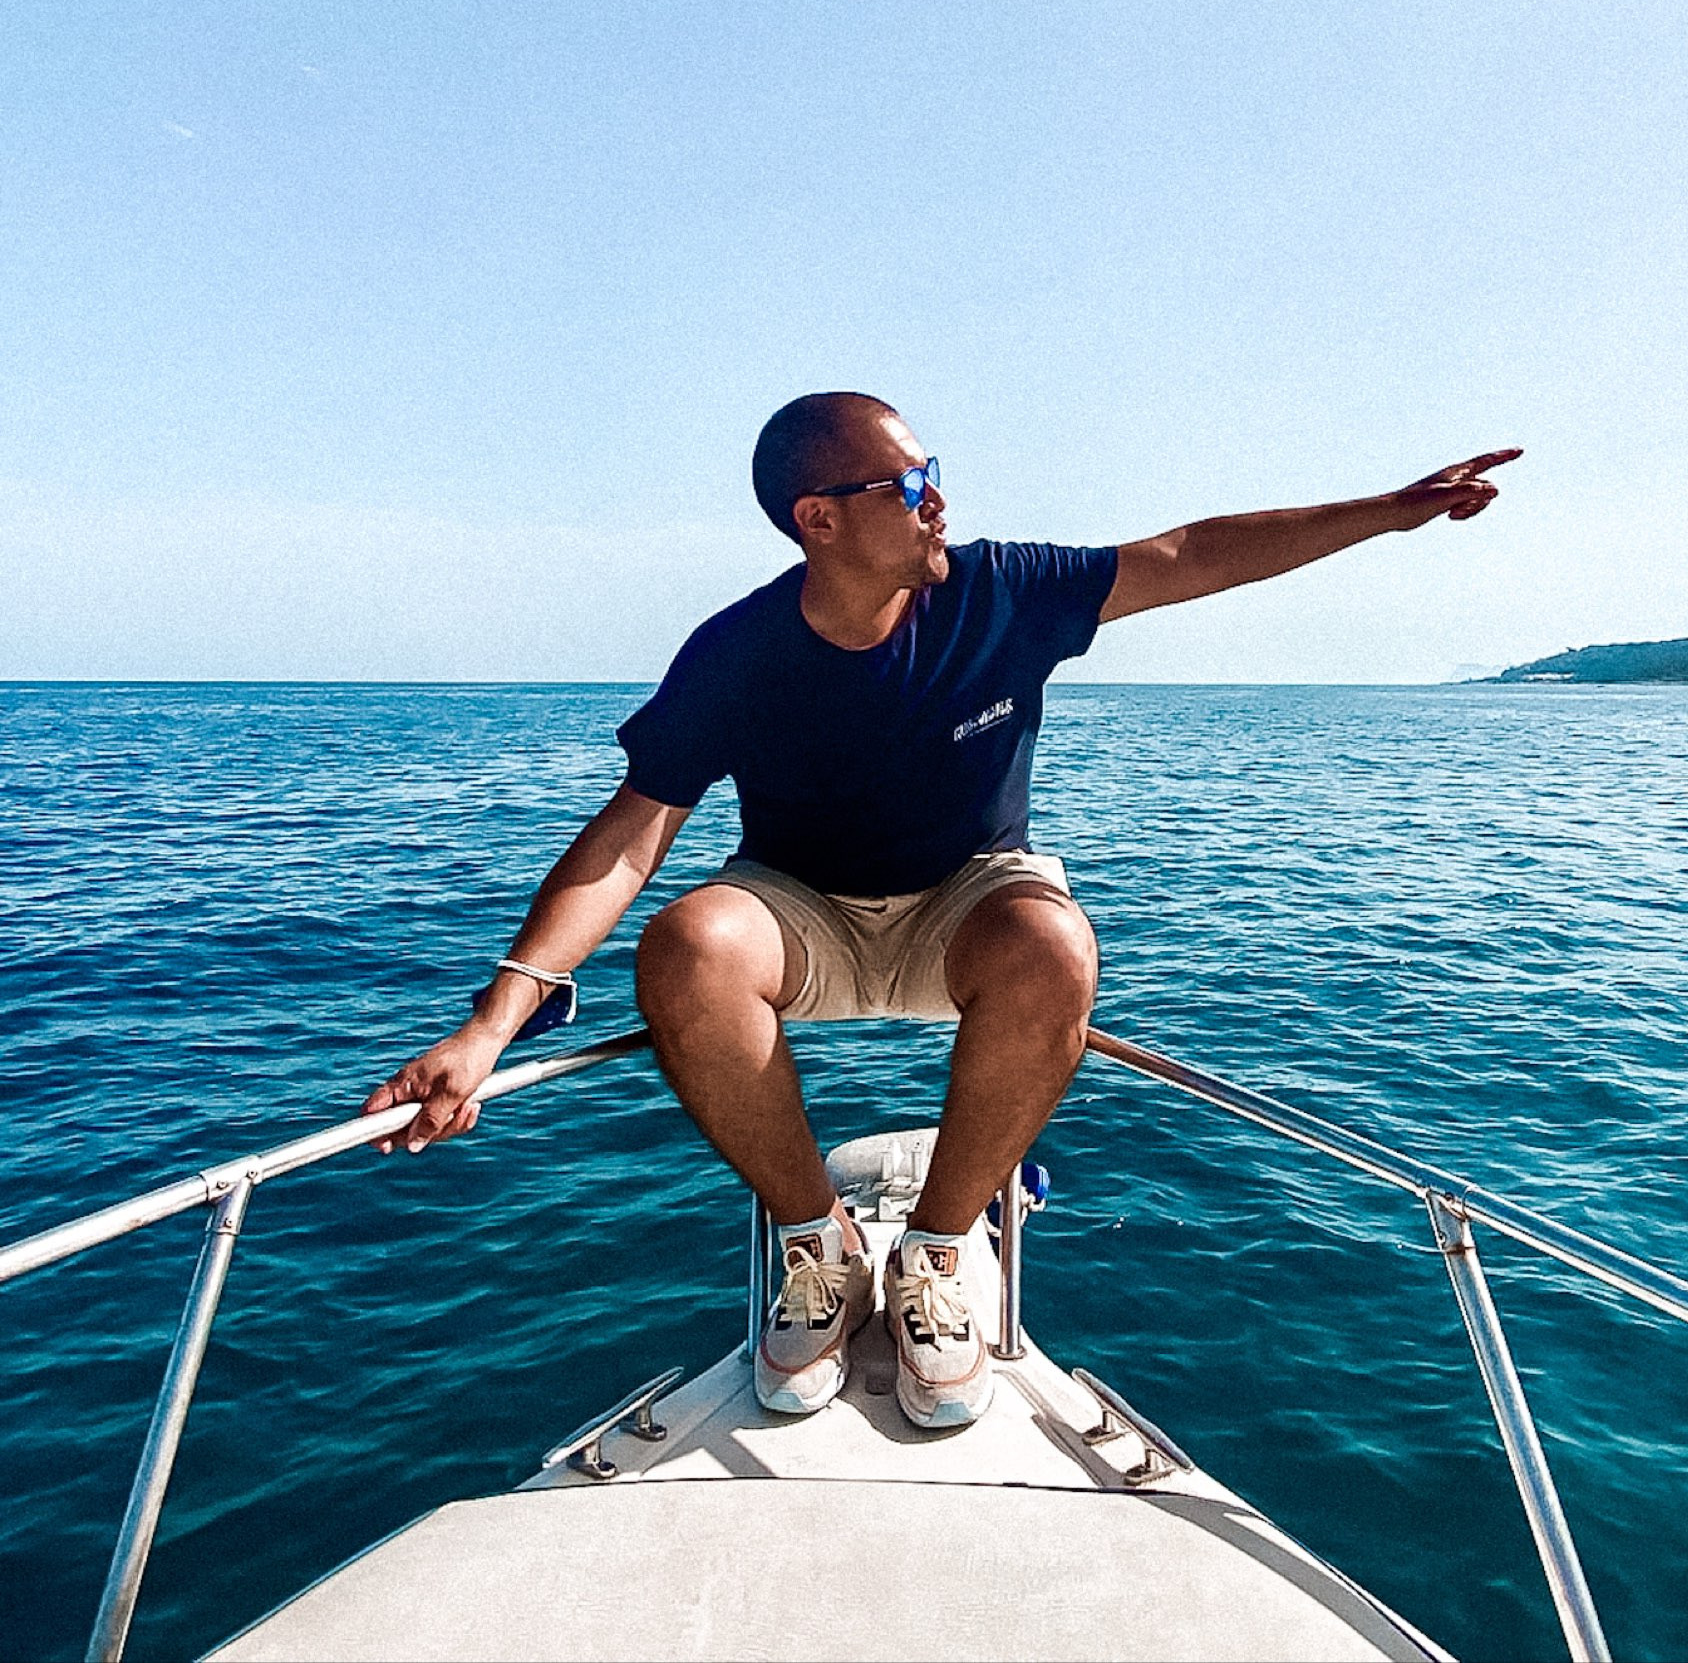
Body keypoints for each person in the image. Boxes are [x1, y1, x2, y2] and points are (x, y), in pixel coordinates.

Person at [364, 394, 1517, 1431]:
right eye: (909, 483)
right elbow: (632, 834)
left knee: (1053, 941)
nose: (938, 501)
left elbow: (1189, 554)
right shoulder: (737, 653)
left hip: (969, 898)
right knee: (687, 944)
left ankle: (939, 1249)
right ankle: (817, 1245)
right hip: (800, 908)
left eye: (934, 474)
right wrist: (492, 1025)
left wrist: (1388, 513)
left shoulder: (1003, 592)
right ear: (820, 518)